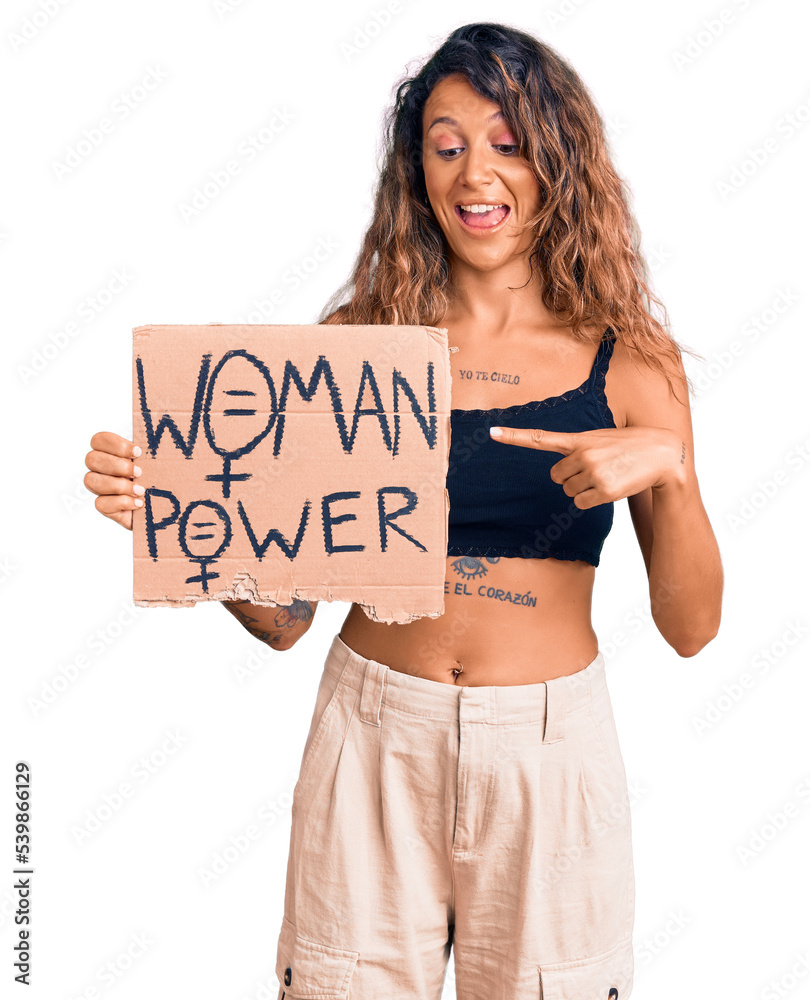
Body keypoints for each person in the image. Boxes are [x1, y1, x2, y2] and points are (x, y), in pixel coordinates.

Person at [83, 22, 723, 1000]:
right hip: (373, 735)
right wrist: (188, 523)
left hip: (547, 754)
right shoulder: (358, 346)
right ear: (415, 169)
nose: (478, 172)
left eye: (508, 142)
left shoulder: (630, 361)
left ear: (557, 158)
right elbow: (286, 618)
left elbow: (691, 627)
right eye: (447, 142)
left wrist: (670, 471)